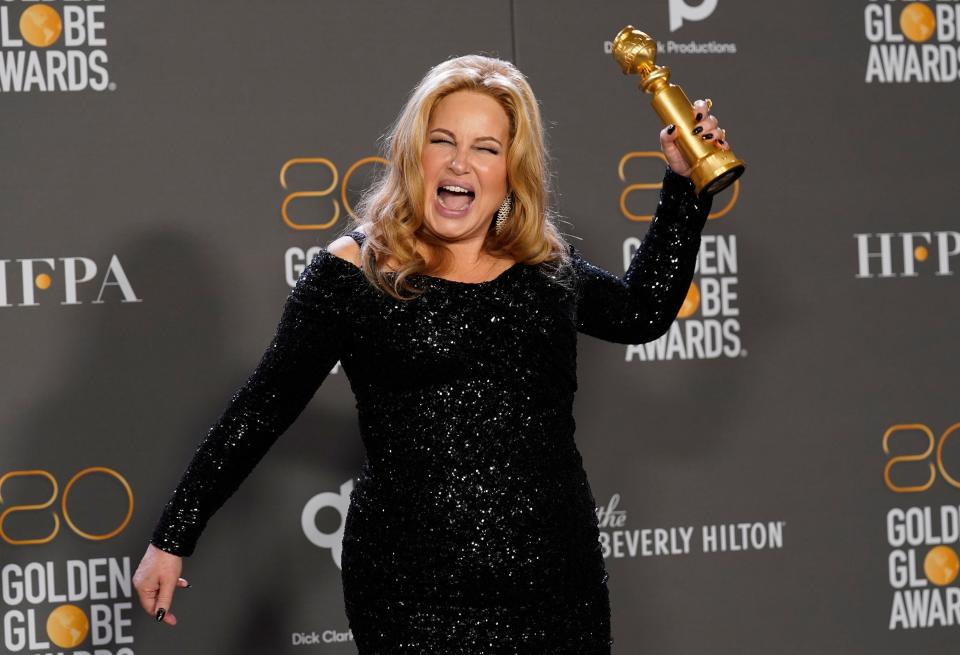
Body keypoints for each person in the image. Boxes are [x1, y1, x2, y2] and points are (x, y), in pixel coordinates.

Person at [133, 54, 727, 652]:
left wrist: (684, 183)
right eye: (442, 140)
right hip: (410, 595)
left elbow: (642, 314)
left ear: (511, 171)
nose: (460, 162)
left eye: (486, 148)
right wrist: (173, 536)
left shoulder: (546, 269)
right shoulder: (353, 272)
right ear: (415, 154)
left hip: (554, 584)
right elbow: (262, 409)